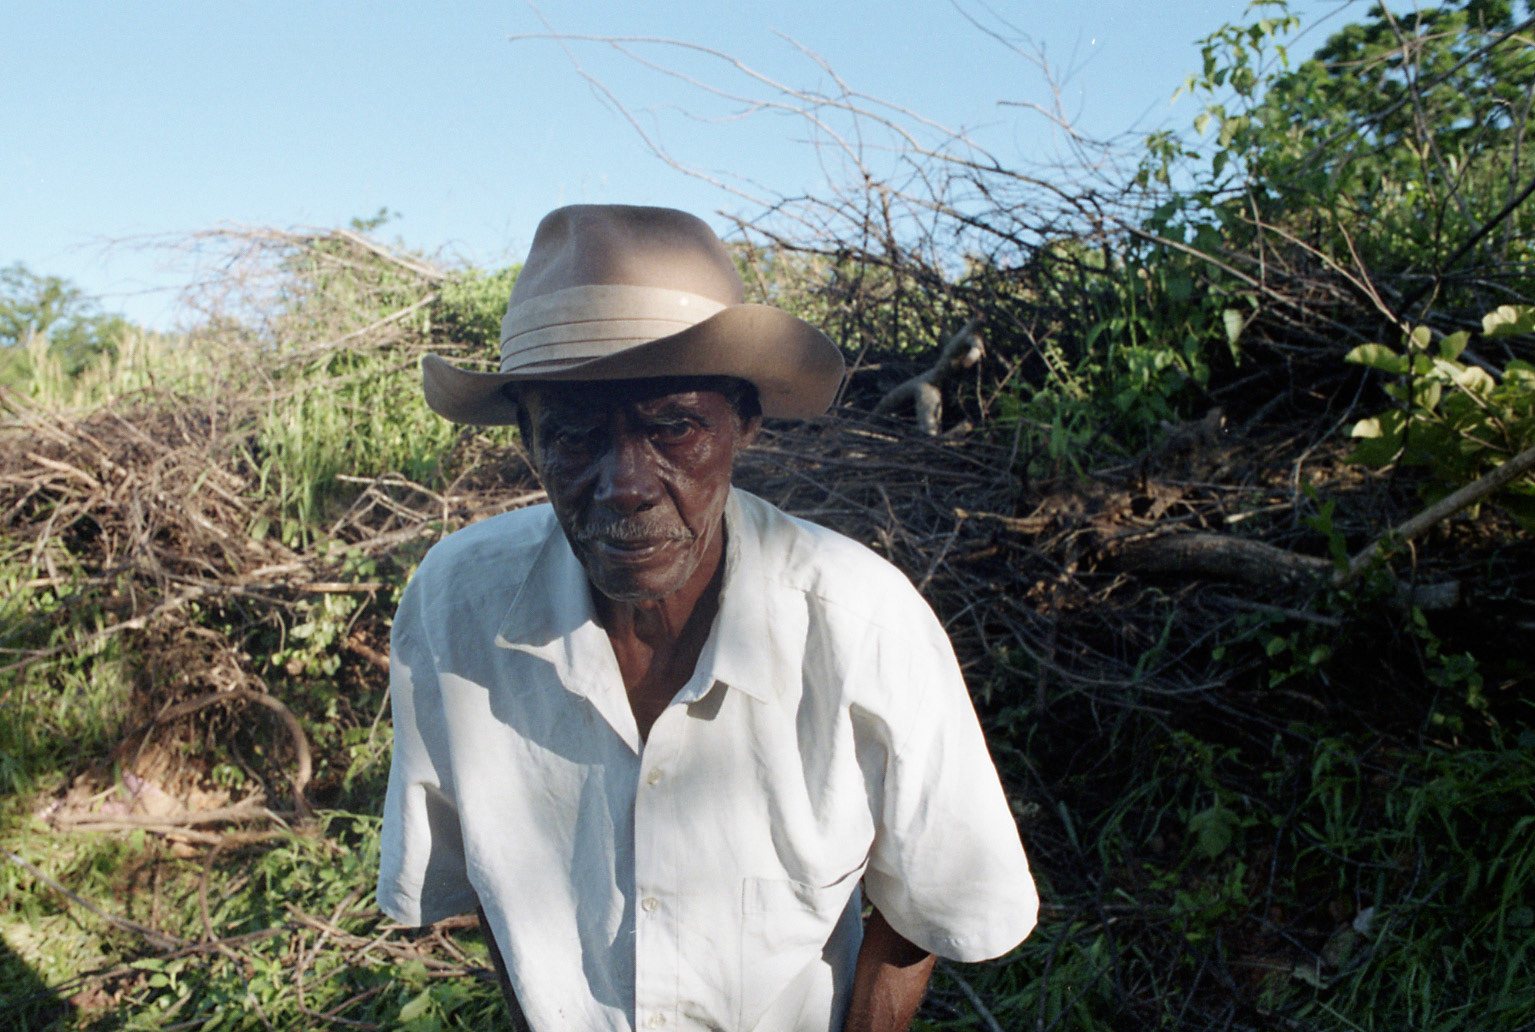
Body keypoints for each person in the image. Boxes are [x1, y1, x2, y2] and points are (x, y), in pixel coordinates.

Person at [376, 204, 1038, 1032]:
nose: (625, 485)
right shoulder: (457, 607)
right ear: (527, 440)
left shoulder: (864, 625)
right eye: (573, 435)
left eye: (673, 427)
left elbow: (928, 905)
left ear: (743, 421)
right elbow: (487, 888)